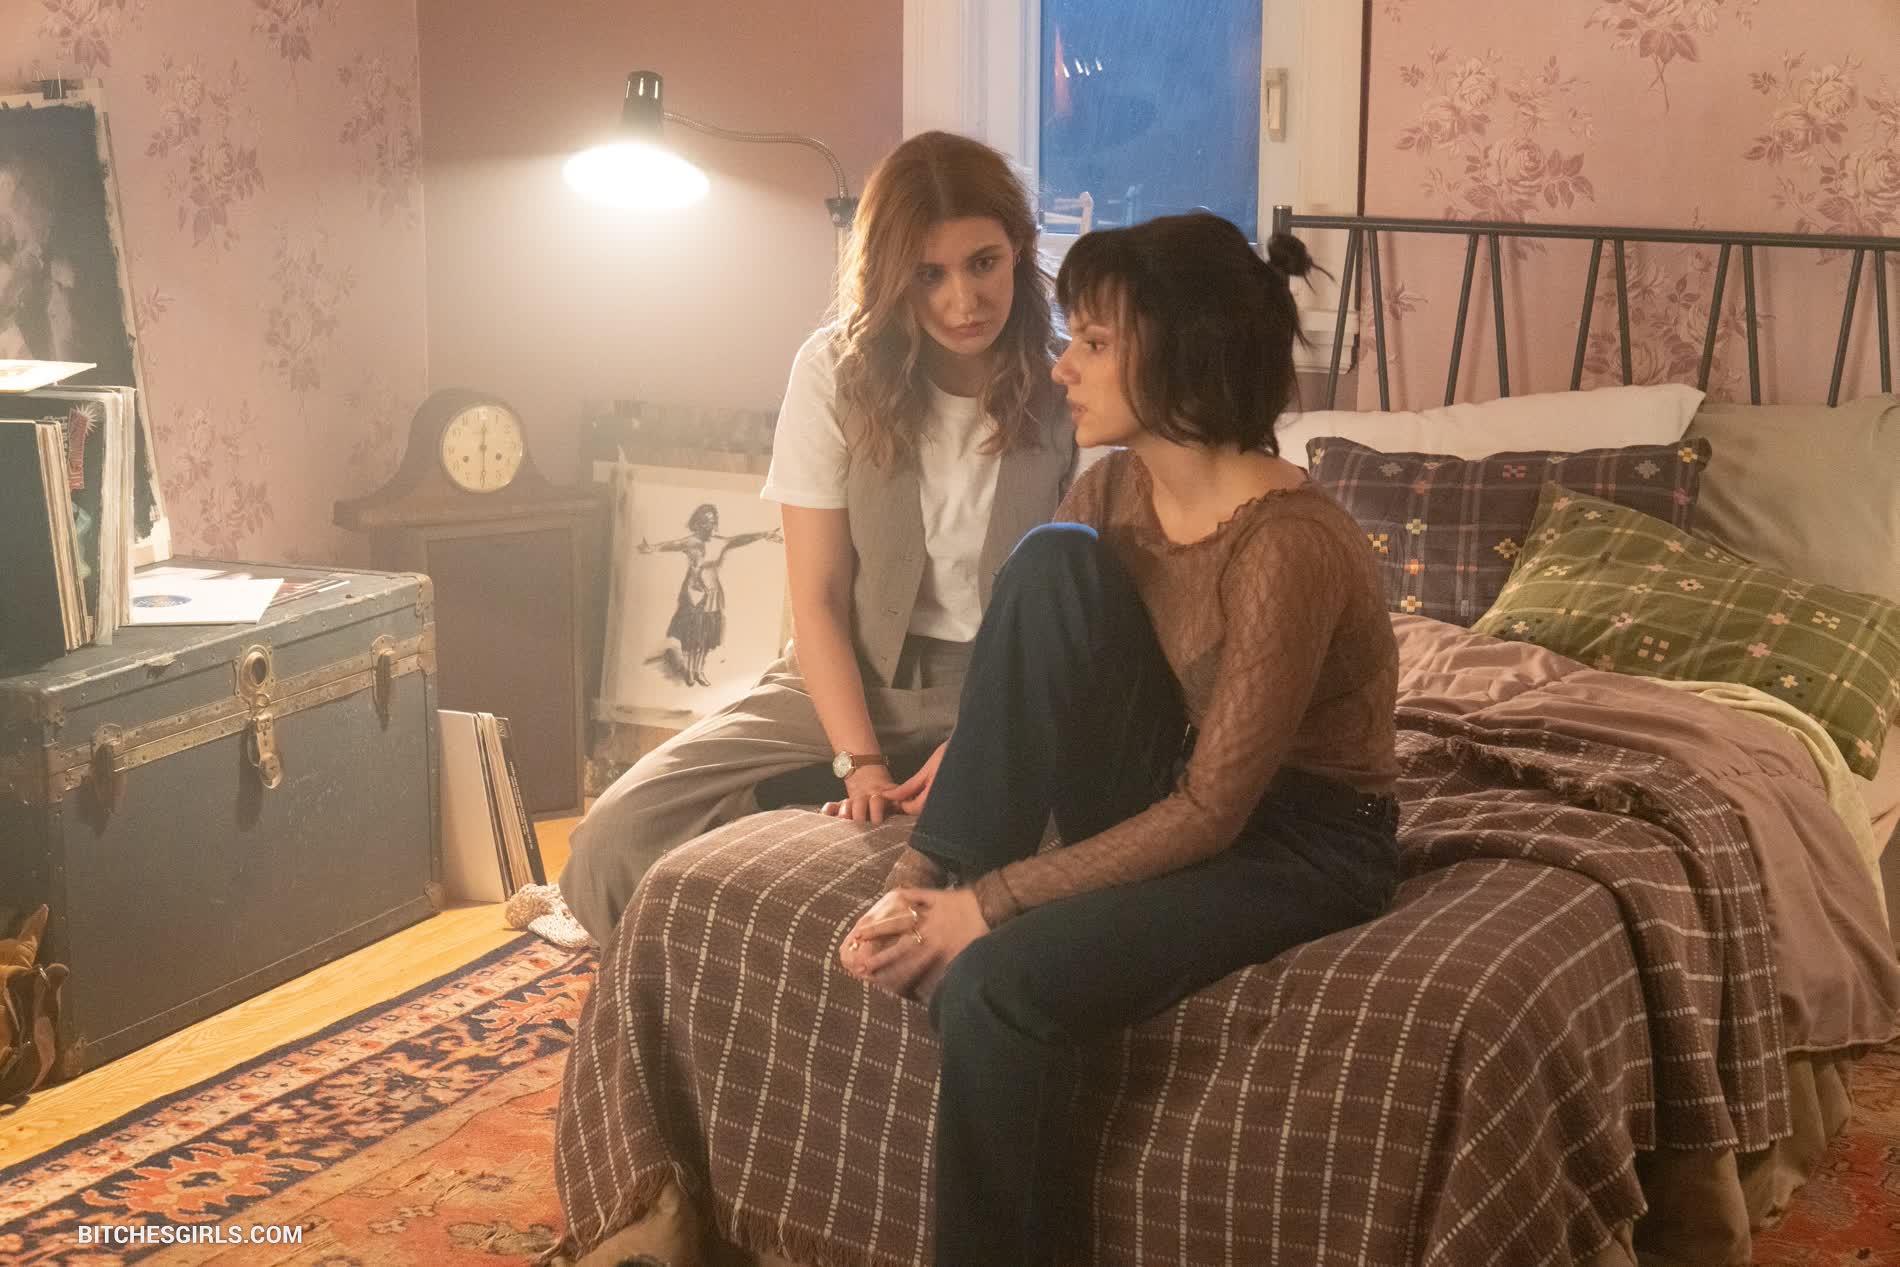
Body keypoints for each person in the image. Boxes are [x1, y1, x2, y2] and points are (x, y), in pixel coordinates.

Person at [838, 211, 1403, 1266]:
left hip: (1302, 841)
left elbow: (1213, 813)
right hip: (1171, 776)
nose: (1062, 367)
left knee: (996, 983)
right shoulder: (1110, 489)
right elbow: (1046, 650)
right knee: (1050, 560)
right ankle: (925, 879)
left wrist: (991, 906)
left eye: (1093, 342)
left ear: (1181, 353)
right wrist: (950, 832)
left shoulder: (1289, 546)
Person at [559, 131, 1078, 946]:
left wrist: (982, 744)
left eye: (983, 263)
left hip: (1004, 690)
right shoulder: (833, 371)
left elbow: (1071, 621)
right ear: (891, 276)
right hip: (847, 672)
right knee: (611, 840)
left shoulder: (1072, 384)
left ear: (1020, 247)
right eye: (929, 275)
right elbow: (821, 600)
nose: (963, 301)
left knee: (1031, 863)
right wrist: (860, 763)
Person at [640, 502, 783, 687]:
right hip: (693, 593)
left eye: (712, 521)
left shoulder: (719, 542)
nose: (710, 525)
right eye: (706, 521)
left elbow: (739, 540)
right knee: (692, 635)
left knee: (706, 636)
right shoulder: (690, 542)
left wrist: (764, 534)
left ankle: (699, 671)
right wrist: (651, 548)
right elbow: (670, 545)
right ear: (698, 523)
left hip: (713, 593)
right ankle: (689, 671)